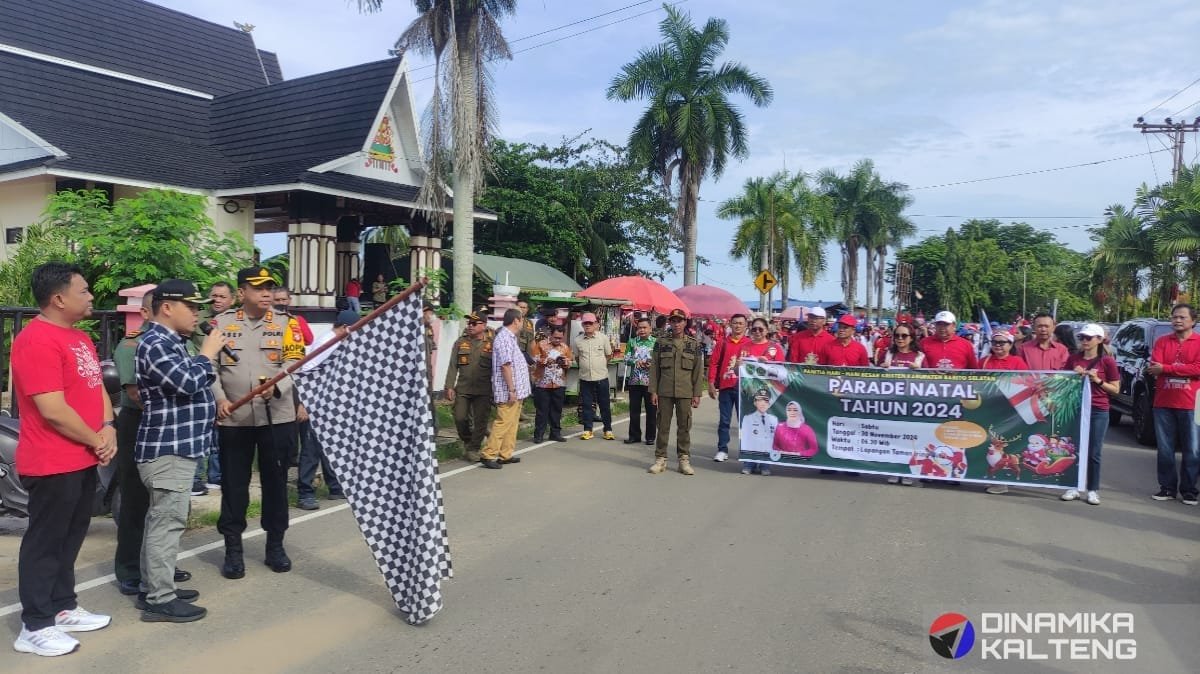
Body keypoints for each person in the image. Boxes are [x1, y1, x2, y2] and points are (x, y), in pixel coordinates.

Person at [11, 262, 114, 657]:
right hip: (53, 460)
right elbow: (52, 409)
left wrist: (107, 427)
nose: (91, 296)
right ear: (58, 298)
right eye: (84, 291)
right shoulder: (36, 340)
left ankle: (63, 607)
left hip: (84, 455)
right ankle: (35, 625)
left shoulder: (78, 338)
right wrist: (95, 439)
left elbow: (97, 385)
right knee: (45, 542)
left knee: (71, 537)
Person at [134, 280, 224, 622]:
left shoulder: (172, 342)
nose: (197, 312)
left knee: (162, 520)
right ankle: (160, 598)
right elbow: (186, 382)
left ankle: (154, 585)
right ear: (167, 307)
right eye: (192, 306)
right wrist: (207, 354)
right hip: (166, 450)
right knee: (166, 522)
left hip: (178, 448)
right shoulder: (155, 343)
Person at [213, 267, 305, 579]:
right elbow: (209, 365)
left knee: (276, 484)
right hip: (234, 419)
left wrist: (277, 386)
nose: (266, 293)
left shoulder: (285, 324)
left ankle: (275, 546)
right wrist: (219, 399)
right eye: (258, 288)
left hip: (276, 417)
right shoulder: (222, 325)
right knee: (234, 485)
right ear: (242, 294)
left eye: (269, 287)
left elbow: (295, 363)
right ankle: (233, 549)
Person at [112, 292, 192, 598]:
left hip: (171, 428)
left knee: (168, 504)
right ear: (148, 313)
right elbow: (137, 395)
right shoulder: (132, 344)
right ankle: (130, 569)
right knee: (135, 501)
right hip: (139, 424)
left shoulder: (182, 341)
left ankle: (159, 569)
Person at [294, 310, 357, 510]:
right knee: (311, 450)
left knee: (330, 446)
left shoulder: (338, 343)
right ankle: (305, 492)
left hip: (328, 404)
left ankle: (336, 487)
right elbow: (307, 371)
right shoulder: (327, 343)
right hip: (314, 404)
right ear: (345, 327)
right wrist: (304, 404)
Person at [1058, 323, 1119, 506]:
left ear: (1099, 340)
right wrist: (1072, 375)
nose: (1084, 341)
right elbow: (1063, 383)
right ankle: (1073, 486)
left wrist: (1098, 380)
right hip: (1076, 408)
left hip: (1098, 409)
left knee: (1094, 451)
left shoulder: (1107, 361)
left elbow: (1116, 389)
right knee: (1074, 448)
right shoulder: (1073, 358)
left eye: (1088, 338)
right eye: (1082, 337)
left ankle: (1092, 489)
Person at [1148, 304, 1200, 505]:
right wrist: (1180, 369)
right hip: (1163, 402)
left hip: (1192, 403)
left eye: (1182, 317)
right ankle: (1167, 488)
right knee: (1165, 449)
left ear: (1193, 321)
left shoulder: (1198, 342)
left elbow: (1198, 369)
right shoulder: (1162, 342)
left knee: (1193, 449)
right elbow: (1154, 368)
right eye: (1174, 317)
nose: (1177, 320)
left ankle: (1189, 490)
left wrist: (1167, 369)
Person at [648, 309, 704, 475]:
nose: (676, 324)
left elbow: (698, 370)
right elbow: (654, 368)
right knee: (663, 426)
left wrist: (697, 393)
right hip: (664, 390)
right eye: (673, 321)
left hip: (685, 391)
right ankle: (660, 459)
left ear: (685, 322)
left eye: (679, 321)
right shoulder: (661, 342)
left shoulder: (694, 344)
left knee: (684, 427)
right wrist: (653, 391)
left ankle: (683, 460)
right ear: (669, 323)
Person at [481, 309, 530, 469]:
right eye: (521, 319)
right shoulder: (503, 338)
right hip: (508, 390)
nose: (522, 322)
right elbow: (505, 366)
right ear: (516, 320)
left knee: (512, 423)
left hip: (518, 390)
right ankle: (488, 454)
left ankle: (505, 453)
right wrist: (511, 389)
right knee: (503, 422)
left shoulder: (510, 338)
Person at [444, 308, 494, 464]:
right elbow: (453, 366)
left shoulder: (492, 343)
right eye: (469, 323)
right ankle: (467, 440)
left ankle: (473, 449)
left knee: (481, 421)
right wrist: (449, 386)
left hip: (484, 389)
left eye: (474, 323)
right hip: (464, 388)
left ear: (483, 325)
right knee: (460, 417)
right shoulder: (460, 342)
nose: (470, 326)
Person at [708, 313, 749, 461]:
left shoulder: (749, 344)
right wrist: (711, 383)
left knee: (744, 421)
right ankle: (722, 449)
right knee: (724, 420)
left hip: (744, 388)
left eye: (740, 323)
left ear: (746, 326)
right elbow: (714, 363)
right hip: (725, 386)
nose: (738, 326)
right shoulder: (722, 343)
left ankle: (746, 449)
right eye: (735, 323)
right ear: (730, 325)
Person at [529, 321, 572, 443]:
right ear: (550, 335)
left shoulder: (565, 347)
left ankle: (555, 433)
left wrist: (565, 362)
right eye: (555, 337)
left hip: (559, 383)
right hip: (543, 383)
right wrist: (547, 360)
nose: (558, 340)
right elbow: (534, 359)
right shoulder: (540, 345)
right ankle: (539, 435)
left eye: (560, 338)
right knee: (542, 410)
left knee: (556, 410)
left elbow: (570, 361)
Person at [576, 312, 615, 441]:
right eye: (585, 323)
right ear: (582, 325)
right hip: (585, 378)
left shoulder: (603, 338)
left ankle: (608, 429)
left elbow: (608, 355)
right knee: (587, 405)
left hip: (601, 377)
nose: (587, 325)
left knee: (604, 404)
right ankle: (588, 429)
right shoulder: (578, 340)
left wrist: (600, 366)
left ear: (596, 325)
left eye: (590, 323)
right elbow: (577, 357)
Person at [622, 317, 657, 445]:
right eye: (639, 328)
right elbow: (626, 359)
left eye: (644, 327)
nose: (642, 330)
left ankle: (650, 437)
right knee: (634, 410)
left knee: (651, 411)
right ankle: (634, 435)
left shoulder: (656, 342)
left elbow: (660, 361)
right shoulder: (632, 342)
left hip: (651, 382)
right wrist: (636, 362)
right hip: (635, 381)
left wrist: (651, 364)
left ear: (650, 329)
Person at [739, 389, 779, 476]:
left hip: (766, 451)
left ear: (769, 404)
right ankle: (749, 465)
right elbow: (744, 438)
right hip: (751, 451)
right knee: (750, 442)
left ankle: (765, 466)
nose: (762, 403)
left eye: (765, 400)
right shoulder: (747, 418)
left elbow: (775, 438)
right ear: (755, 403)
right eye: (759, 400)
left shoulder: (773, 419)